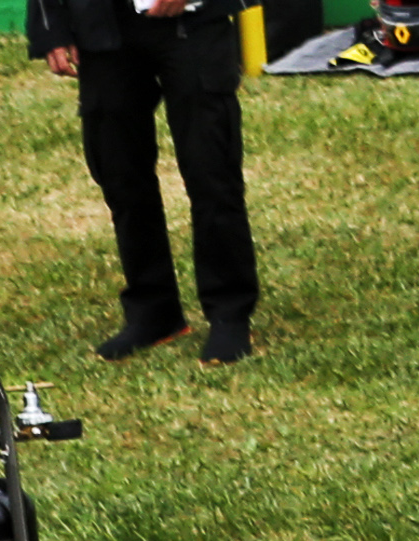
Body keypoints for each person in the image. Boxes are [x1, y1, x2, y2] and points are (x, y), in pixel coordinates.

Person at [34, 0, 255, 364]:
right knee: (120, 173)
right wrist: (51, 27)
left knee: (211, 170)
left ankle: (230, 313)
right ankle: (153, 311)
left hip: (193, 23)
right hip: (103, 28)